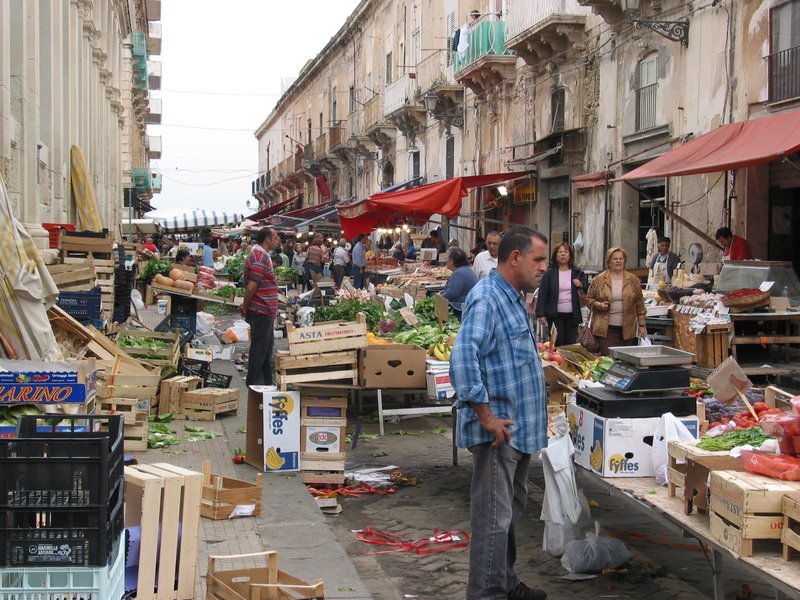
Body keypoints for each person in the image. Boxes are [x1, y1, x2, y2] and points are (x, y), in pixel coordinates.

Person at [450, 225, 549, 600]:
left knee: (508, 514)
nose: (544, 267)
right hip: (499, 433)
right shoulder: (488, 297)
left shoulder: (513, 298)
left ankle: (505, 582)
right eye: (538, 259)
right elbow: (463, 356)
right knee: (493, 518)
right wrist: (486, 415)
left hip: (518, 430)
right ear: (515, 258)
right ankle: (487, 593)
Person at [585, 246, 647, 355]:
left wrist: (642, 326)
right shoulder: (599, 279)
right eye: (615, 259)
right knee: (609, 361)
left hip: (628, 330)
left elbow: (639, 303)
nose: (618, 261)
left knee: (626, 362)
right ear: (609, 262)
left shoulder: (633, 280)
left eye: (621, 258)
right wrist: (599, 305)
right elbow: (589, 300)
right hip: (606, 330)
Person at [239, 227, 280, 388]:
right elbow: (251, 287)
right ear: (267, 239)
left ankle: (265, 382)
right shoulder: (259, 257)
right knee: (260, 348)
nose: (278, 241)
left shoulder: (262, 256)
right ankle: (254, 384)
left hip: (265, 308)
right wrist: (245, 306)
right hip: (261, 308)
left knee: (266, 347)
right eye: (275, 237)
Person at [535, 243, 588, 346]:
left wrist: (581, 284)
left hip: (572, 315)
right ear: (556, 255)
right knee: (557, 343)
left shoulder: (577, 272)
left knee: (571, 343)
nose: (563, 254)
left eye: (566, 252)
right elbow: (543, 293)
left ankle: (569, 362)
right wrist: (541, 314)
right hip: (555, 315)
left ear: (570, 255)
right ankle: (558, 361)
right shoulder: (549, 273)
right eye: (560, 252)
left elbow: (587, 289)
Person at [440, 247, 478, 318]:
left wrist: (439, 297)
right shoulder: (466, 270)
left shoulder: (459, 273)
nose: (445, 258)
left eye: (447, 257)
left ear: (452, 261)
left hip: (460, 310)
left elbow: (452, 294)